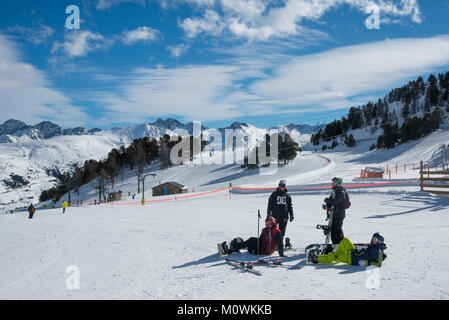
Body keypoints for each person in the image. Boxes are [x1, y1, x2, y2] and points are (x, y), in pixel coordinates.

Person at [219, 216, 286, 257]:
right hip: (262, 246)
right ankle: (238, 246)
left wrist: (281, 254)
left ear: (273, 223)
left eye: (269, 224)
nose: (267, 225)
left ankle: (232, 249)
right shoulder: (264, 230)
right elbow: (261, 239)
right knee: (251, 240)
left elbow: (280, 244)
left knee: (250, 246)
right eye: (266, 224)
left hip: (266, 251)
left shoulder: (277, 232)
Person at [308, 233, 387, 267]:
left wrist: (365, 263)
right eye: (373, 239)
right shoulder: (375, 248)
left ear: (379, 242)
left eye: (375, 240)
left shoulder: (377, 251)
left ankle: (316, 259)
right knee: (345, 240)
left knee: (334, 256)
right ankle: (337, 257)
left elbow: (378, 264)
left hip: (352, 259)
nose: (373, 241)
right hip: (354, 253)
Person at [267, 180, 294, 246]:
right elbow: (270, 204)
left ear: (285, 186)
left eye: (283, 186)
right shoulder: (274, 194)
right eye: (280, 185)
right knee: (273, 230)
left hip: (284, 216)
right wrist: (269, 213)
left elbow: (290, 206)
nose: (281, 187)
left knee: (282, 231)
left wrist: (291, 214)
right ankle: (272, 243)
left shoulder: (287, 195)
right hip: (275, 215)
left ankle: (279, 244)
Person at [323, 177, 347, 244]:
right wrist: (327, 206)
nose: (332, 183)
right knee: (332, 230)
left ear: (338, 183)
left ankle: (340, 244)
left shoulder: (341, 191)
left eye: (334, 182)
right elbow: (331, 203)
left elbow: (335, 202)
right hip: (334, 214)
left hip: (339, 214)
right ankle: (335, 244)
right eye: (332, 182)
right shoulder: (334, 191)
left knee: (337, 230)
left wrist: (328, 200)